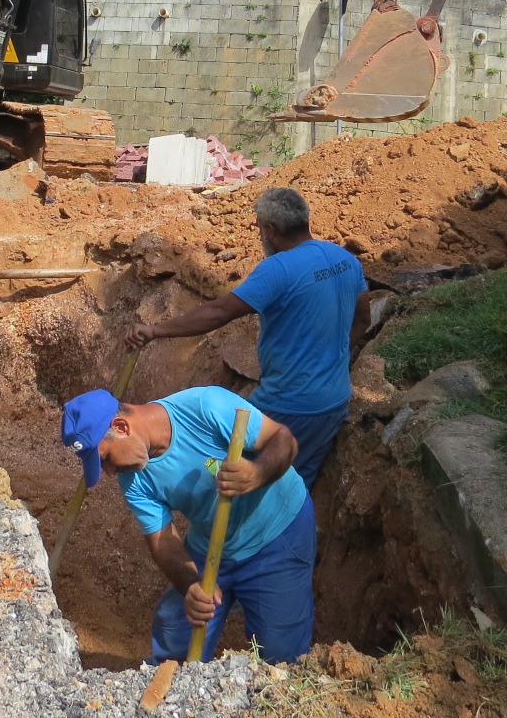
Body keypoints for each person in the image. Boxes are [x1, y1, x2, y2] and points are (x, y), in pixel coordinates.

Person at [125, 187, 367, 488]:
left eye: (258, 227)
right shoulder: (344, 259)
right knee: (296, 485)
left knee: (227, 476)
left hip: (288, 405)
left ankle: (229, 528)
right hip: (334, 403)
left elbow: (219, 313)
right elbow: (362, 321)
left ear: (270, 230)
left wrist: (155, 331)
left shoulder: (278, 269)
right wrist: (333, 356)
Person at [60, 385, 313, 664]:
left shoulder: (205, 407)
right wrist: (191, 585)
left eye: (105, 458)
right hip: (211, 543)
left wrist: (256, 473)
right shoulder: (132, 479)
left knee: (280, 653)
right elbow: (163, 541)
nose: (109, 472)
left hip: (277, 534)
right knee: (175, 629)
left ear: (121, 427)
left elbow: (285, 439)